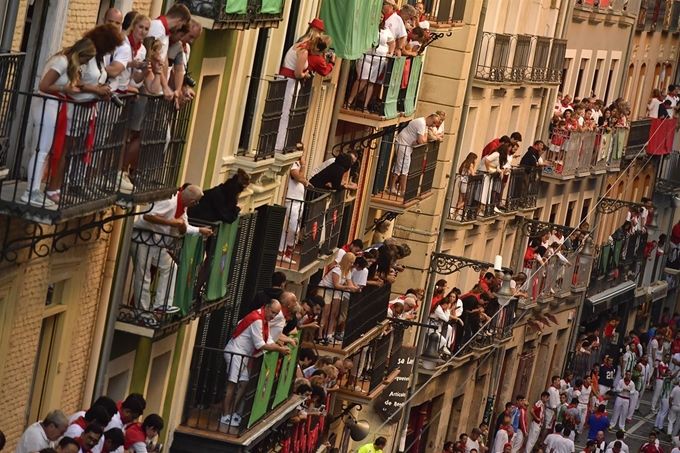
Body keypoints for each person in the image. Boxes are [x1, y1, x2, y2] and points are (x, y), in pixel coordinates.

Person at [22, 38, 104, 207]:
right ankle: (31, 191)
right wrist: (63, 89)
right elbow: (44, 85)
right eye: (85, 60)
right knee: (42, 149)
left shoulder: (69, 64)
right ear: (81, 54)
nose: (85, 63)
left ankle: (35, 189)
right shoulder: (61, 61)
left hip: (55, 106)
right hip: (47, 103)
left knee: (46, 149)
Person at [130, 185, 212, 313]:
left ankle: (161, 304)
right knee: (143, 276)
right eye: (196, 202)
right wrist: (171, 223)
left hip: (155, 242)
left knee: (171, 267)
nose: (195, 204)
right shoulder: (169, 201)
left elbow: (183, 225)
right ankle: (142, 312)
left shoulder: (183, 207)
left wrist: (197, 230)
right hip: (143, 238)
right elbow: (147, 216)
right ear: (192, 201)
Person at [221, 299, 291, 427]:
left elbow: (269, 339)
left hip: (242, 354)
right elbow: (261, 345)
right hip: (236, 353)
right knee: (232, 384)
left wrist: (279, 346)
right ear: (266, 307)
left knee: (245, 383)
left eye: (276, 314)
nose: (273, 316)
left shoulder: (264, 320)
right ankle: (225, 415)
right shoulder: (258, 320)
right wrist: (279, 349)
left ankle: (232, 412)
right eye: (272, 312)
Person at [345, 13, 395, 112]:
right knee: (362, 79)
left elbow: (392, 42)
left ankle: (365, 105)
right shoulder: (367, 27)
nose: (380, 19)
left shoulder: (385, 30)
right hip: (366, 57)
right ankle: (349, 101)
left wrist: (391, 52)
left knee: (371, 82)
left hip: (379, 59)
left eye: (382, 17)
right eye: (379, 16)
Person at [147, 4, 192, 101]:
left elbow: (164, 58)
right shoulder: (157, 28)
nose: (180, 27)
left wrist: (165, 86)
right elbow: (153, 59)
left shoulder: (165, 31)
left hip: (156, 86)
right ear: (179, 20)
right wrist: (165, 87)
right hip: (149, 85)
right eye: (182, 24)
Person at [389, 114, 440, 196]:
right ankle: (403, 191)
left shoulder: (425, 125)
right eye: (433, 122)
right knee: (405, 168)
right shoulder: (421, 123)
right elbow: (421, 141)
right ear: (429, 118)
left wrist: (419, 141)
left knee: (398, 167)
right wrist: (418, 141)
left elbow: (425, 139)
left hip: (405, 145)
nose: (433, 125)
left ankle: (392, 188)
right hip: (403, 144)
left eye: (435, 124)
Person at [278, 145, 308, 264]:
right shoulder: (293, 164)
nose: (302, 152)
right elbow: (299, 177)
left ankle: (284, 252)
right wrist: (304, 166)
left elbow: (302, 179)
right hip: (292, 201)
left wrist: (303, 180)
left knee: (290, 229)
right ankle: (283, 252)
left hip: (298, 201)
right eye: (300, 150)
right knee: (294, 228)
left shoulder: (297, 163)